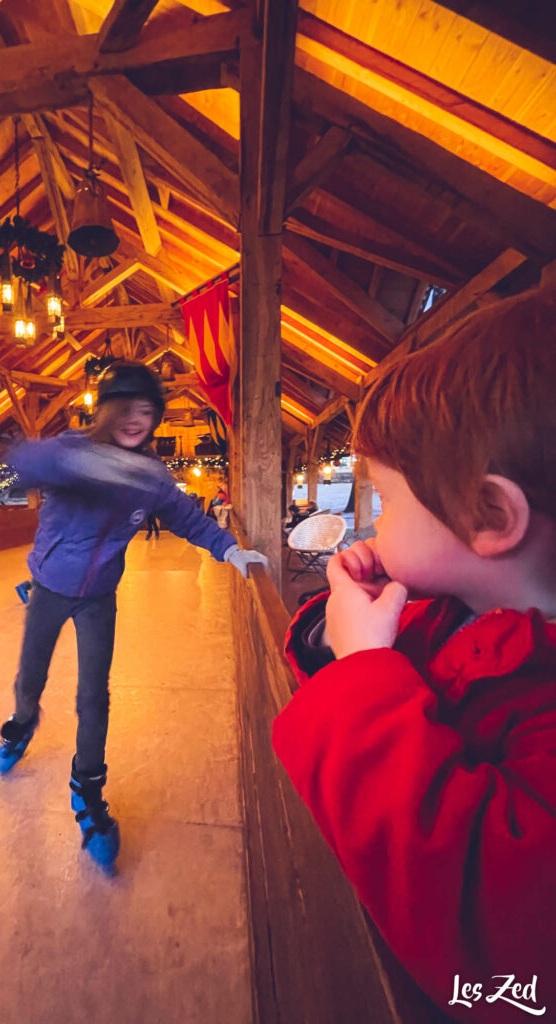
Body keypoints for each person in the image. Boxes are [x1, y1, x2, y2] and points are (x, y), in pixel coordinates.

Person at [271, 287, 556, 1022]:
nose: (376, 520)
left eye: (388, 501)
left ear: (490, 517)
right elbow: (358, 687)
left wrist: (365, 669)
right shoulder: (455, 614)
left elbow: (498, 942)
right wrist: (334, 636)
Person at [0, 361, 268, 873]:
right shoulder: (71, 450)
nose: (136, 419)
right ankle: (23, 722)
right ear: (104, 411)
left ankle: (88, 791)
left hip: (99, 596)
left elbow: (187, 517)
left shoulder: (150, 476)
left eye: (147, 411)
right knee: (30, 675)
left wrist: (231, 550)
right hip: (49, 589)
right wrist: (87, 467)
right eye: (126, 408)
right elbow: (27, 461)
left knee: (94, 695)